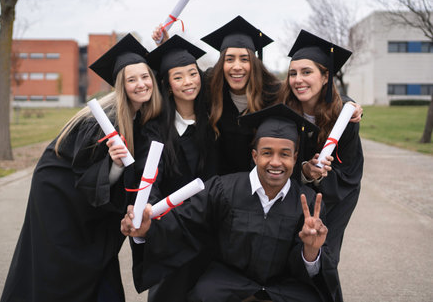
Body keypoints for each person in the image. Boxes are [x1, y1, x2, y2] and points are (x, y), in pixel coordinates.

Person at [122, 103, 342, 302]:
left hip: (283, 287)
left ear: (295, 158)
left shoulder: (308, 202)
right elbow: (183, 223)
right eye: (267, 153)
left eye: (285, 154)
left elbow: (312, 271)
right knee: (204, 295)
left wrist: (311, 251)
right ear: (255, 156)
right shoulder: (223, 189)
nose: (275, 162)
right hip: (229, 282)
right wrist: (147, 230)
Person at [0, 33, 162, 302]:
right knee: (60, 268)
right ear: (121, 85)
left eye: (145, 77)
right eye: (131, 79)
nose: (141, 84)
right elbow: (84, 173)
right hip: (60, 198)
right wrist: (115, 165)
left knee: (98, 263)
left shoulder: (137, 115)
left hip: (89, 200)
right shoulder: (102, 120)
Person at [283, 29, 364, 301]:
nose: (297, 80)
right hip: (293, 194)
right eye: (293, 73)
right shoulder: (284, 111)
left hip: (336, 199)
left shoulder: (346, 119)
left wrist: (322, 178)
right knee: (287, 255)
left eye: (306, 72)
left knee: (323, 256)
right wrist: (305, 171)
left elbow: (351, 172)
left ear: (326, 76)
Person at [138, 34, 218, 301]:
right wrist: (151, 212)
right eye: (178, 76)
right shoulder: (156, 129)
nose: (188, 82)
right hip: (174, 232)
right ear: (168, 85)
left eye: (192, 73)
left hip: (212, 230)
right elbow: (150, 178)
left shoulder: (214, 120)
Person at [201, 15, 285, 175]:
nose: (237, 66)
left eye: (244, 59)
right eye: (230, 59)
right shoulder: (210, 86)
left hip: (262, 182)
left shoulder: (272, 92)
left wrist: (346, 102)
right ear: (222, 64)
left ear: (254, 63)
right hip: (219, 183)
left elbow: (305, 95)